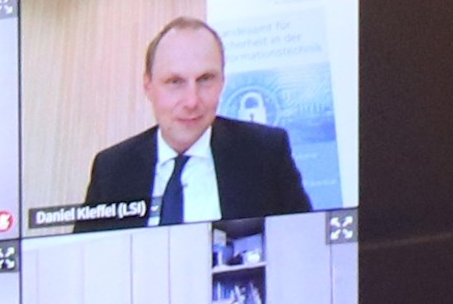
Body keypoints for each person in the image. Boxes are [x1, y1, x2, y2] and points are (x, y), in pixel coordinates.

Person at [82, 18, 314, 226]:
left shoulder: (266, 152)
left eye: (205, 79)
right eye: (175, 81)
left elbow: (306, 246)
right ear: (148, 87)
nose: (192, 101)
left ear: (222, 82)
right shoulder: (112, 169)